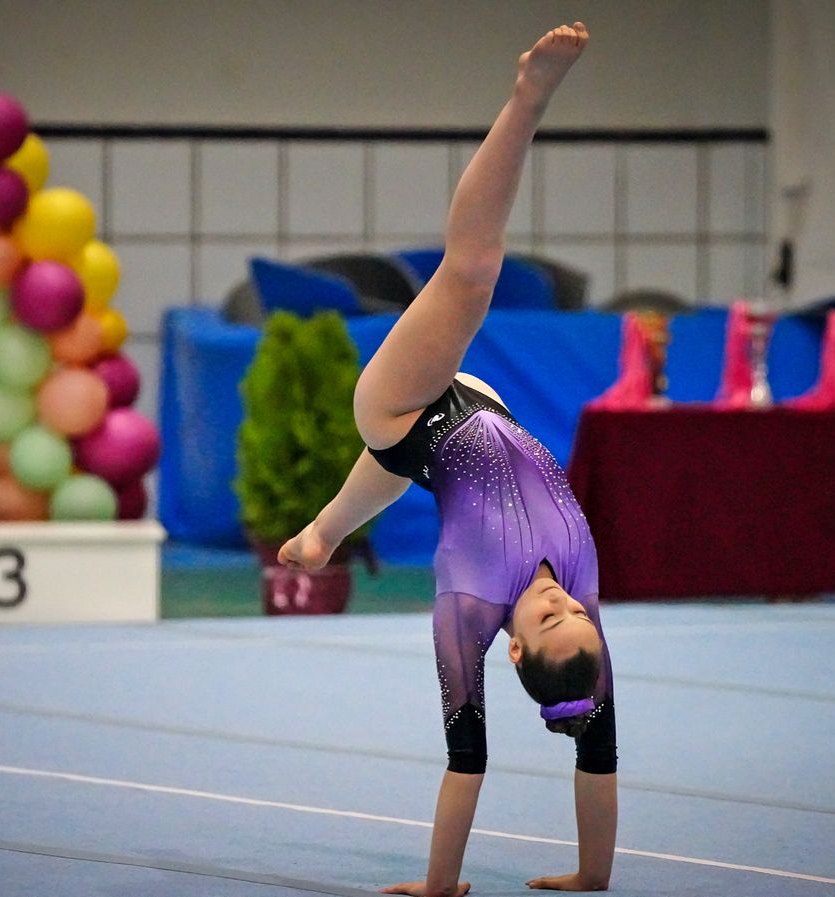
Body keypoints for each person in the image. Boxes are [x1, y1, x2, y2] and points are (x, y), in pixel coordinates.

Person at [277, 23, 616, 897]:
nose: (559, 599)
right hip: (465, 414)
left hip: (399, 407)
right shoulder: (579, 611)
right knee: (402, 463)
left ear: (513, 651)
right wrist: (593, 874)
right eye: (574, 609)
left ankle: (527, 99)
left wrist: (438, 888)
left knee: (469, 275)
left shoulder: (467, 608)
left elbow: (467, 761)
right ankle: (321, 534)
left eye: (546, 619)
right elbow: (601, 747)